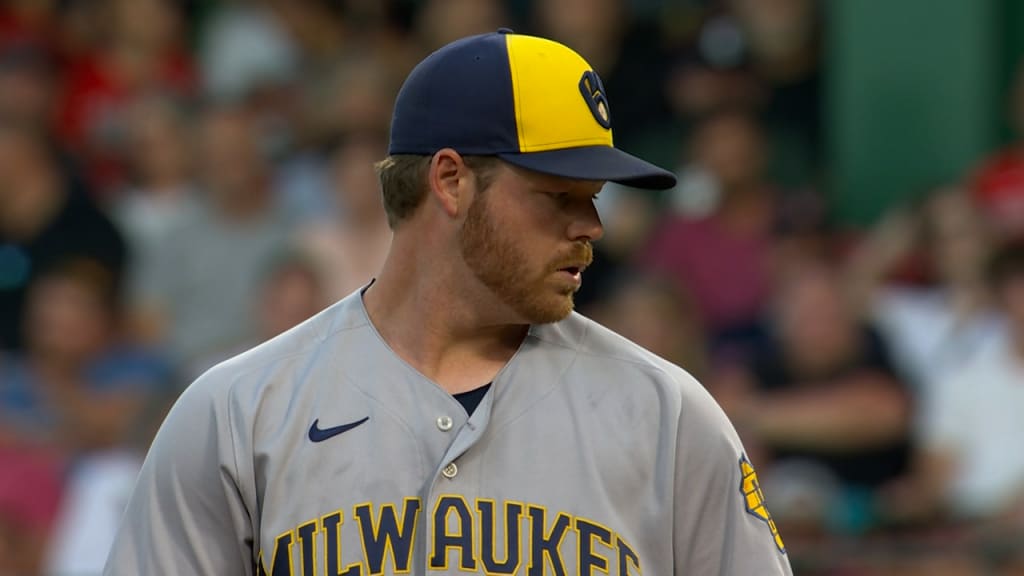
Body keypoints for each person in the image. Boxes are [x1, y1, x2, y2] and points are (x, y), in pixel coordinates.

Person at [104, 30, 792, 575]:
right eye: (560, 197)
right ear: (451, 180)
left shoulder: (669, 414)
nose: (592, 226)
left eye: (594, 199)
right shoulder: (235, 413)